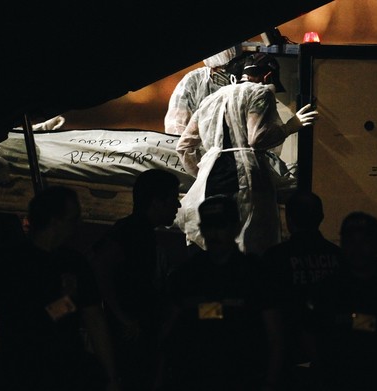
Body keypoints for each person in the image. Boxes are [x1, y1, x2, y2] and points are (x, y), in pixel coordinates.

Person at [0, 186, 120, 391]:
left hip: (46, 374)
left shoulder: (11, 261)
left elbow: (95, 322)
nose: (78, 225)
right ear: (55, 221)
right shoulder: (11, 263)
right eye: (73, 218)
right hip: (26, 373)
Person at [175, 52, 319, 255]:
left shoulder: (211, 99)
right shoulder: (261, 93)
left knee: (217, 242)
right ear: (268, 77)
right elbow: (257, 138)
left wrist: (201, 172)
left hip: (211, 179)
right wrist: (290, 127)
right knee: (250, 241)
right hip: (246, 177)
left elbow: (184, 146)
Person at [159, 194, 285, 391]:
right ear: (201, 230)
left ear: (235, 228)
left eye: (221, 226)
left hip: (243, 380)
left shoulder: (255, 274)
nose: (214, 233)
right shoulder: (188, 275)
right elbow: (167, 330)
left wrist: (269, 383)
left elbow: (275, 336)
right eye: (209, 227)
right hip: (194, 379)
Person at [304, 212, 377, 391]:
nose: (357, 248)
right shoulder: (328, 288)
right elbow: (310, 334)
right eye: (350, 241)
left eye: (364, 241)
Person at [89, 169, 182, 391]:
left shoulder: (143, 232)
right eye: (173, 198)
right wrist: (123, 318)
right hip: (130, 337)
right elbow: (99, 266)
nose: (178, 206)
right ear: (156, 201)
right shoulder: (132, 231)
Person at [260, 190, 343, 389]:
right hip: (332, 353)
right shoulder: (339, 257)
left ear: (288, 219)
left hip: (287, 354)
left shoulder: (275, 257)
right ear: (321, 217)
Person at [164, 44, 248, 135]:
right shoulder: (194, 80)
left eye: (226, 68)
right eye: (215, 69)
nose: (218, 73)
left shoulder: (250, 81)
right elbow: (176, 123)